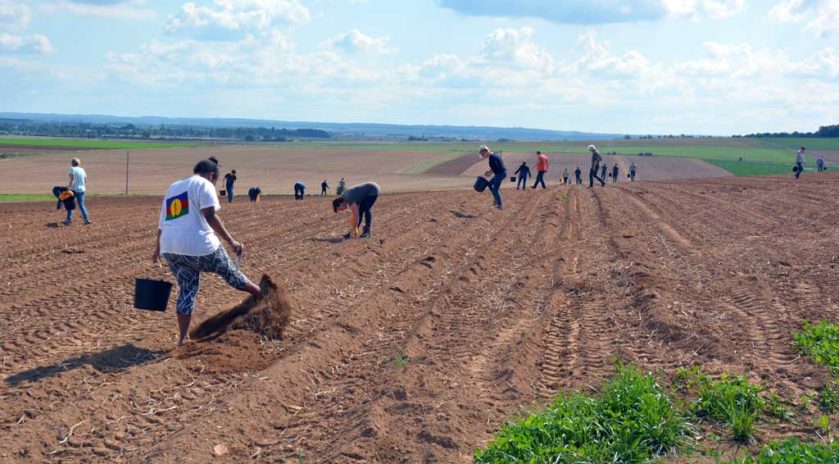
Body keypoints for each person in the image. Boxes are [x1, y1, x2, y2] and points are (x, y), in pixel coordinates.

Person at [153, 160, 261, 346]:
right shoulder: (204, 184)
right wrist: (231, 241)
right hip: (200, 246)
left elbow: (163, 222)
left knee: (187, 290)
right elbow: (210, 215)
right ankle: (263, 296)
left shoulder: (174, 187)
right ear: (211, 175)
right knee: (231, 274)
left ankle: (183, 338)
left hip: (171, 248)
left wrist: (157, 249)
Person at [63, 158, 91, 225]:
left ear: (72, 163)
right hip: (82, 190)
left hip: (74, 190)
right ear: (79, 163)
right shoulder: (82, 169)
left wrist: (68, 186)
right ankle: (86, 219)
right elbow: (85, 180)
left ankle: (68, 220)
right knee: (81, 205)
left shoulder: (72, 169)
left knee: (70, 204)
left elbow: (72, 179)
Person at [480, 145, 507, 210]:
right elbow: (495, 167)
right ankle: (496, 200)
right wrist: (489, 171)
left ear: (486, 151)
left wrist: (489, 173)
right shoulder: (493, 156)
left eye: (483, 154)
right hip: (501, 173)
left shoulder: (492, 158)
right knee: (490, 184)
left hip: (500, 174)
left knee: (495, 189)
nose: (483, 156)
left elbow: (496, 168)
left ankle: (500, 205)